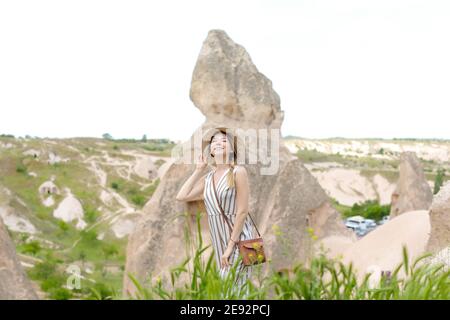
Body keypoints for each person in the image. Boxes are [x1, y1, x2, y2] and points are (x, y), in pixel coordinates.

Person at [176, 127, 254, 297]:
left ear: (232, 149)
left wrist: (230, 247)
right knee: (235, 290)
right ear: (210, 150)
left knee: (230, 288)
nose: (218, 143)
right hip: (220, 241)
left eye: (224, 141)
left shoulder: (238, 172)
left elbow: (242, 211)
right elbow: (181, 196)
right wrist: (198, 170)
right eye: (214, 141)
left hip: (239, 239)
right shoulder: (208, 179)